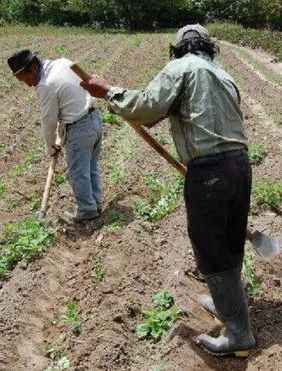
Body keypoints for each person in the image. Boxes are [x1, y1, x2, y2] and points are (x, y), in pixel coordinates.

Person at [79, 25, 255, 357]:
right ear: (208, 47)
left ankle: (238, 333)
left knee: (210, 247)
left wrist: (108, 92)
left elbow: (147, 107)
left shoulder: (182, 67)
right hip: (239, 165)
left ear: (178, 49)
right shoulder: (223, 75)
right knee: (229, 239)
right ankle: (227, 305)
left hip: (209, 172)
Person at [7, 49, 103, 223]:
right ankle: (95, 204)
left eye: (27, 79)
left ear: (34, 67)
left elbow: (48, 121)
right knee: (89, 168)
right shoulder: (63, 62)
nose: (28, 85)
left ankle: (87, 211)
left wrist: (50, 147)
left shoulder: (46, 85)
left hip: (79, 128)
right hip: (94, 119)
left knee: (77, 174)